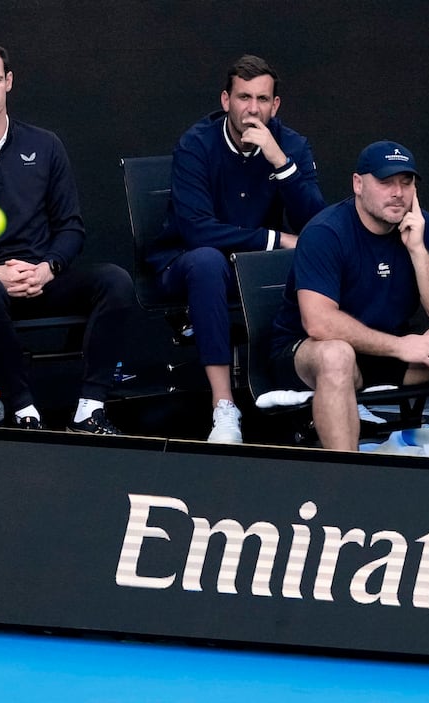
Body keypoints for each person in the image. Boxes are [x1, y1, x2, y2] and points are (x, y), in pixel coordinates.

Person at [0, 39, 134, 434]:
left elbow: (71, 226)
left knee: (115, 280)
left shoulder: (45, 145)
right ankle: (24, 411)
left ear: (9, 81)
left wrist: (48, 268)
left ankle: (89, 410)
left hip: (38, 278)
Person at [147, 55, 326, 444]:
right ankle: (224, 407)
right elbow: (196, 230)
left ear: (274, 105)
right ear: (226, 100)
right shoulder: (196, 144)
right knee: (208, 262)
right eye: (244, 98)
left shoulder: (291, 144)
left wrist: (281, 162)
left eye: (262, 99)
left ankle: (327, 390)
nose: (252, 109)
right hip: (187, 264)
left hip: (257, 272)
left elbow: (319, 228)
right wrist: (275, 240)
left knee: (322, 259)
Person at [270, 141, 429, 452]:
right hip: (310, 354)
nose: (397, 192)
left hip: (389, 353)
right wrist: (400, 346)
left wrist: (418, 250)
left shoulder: (425, 227)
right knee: (336, 354)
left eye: (406, 182)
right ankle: (349, 481)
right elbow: (318, 323)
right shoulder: (326, 231)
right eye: (385, 182)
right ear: (358, 184)